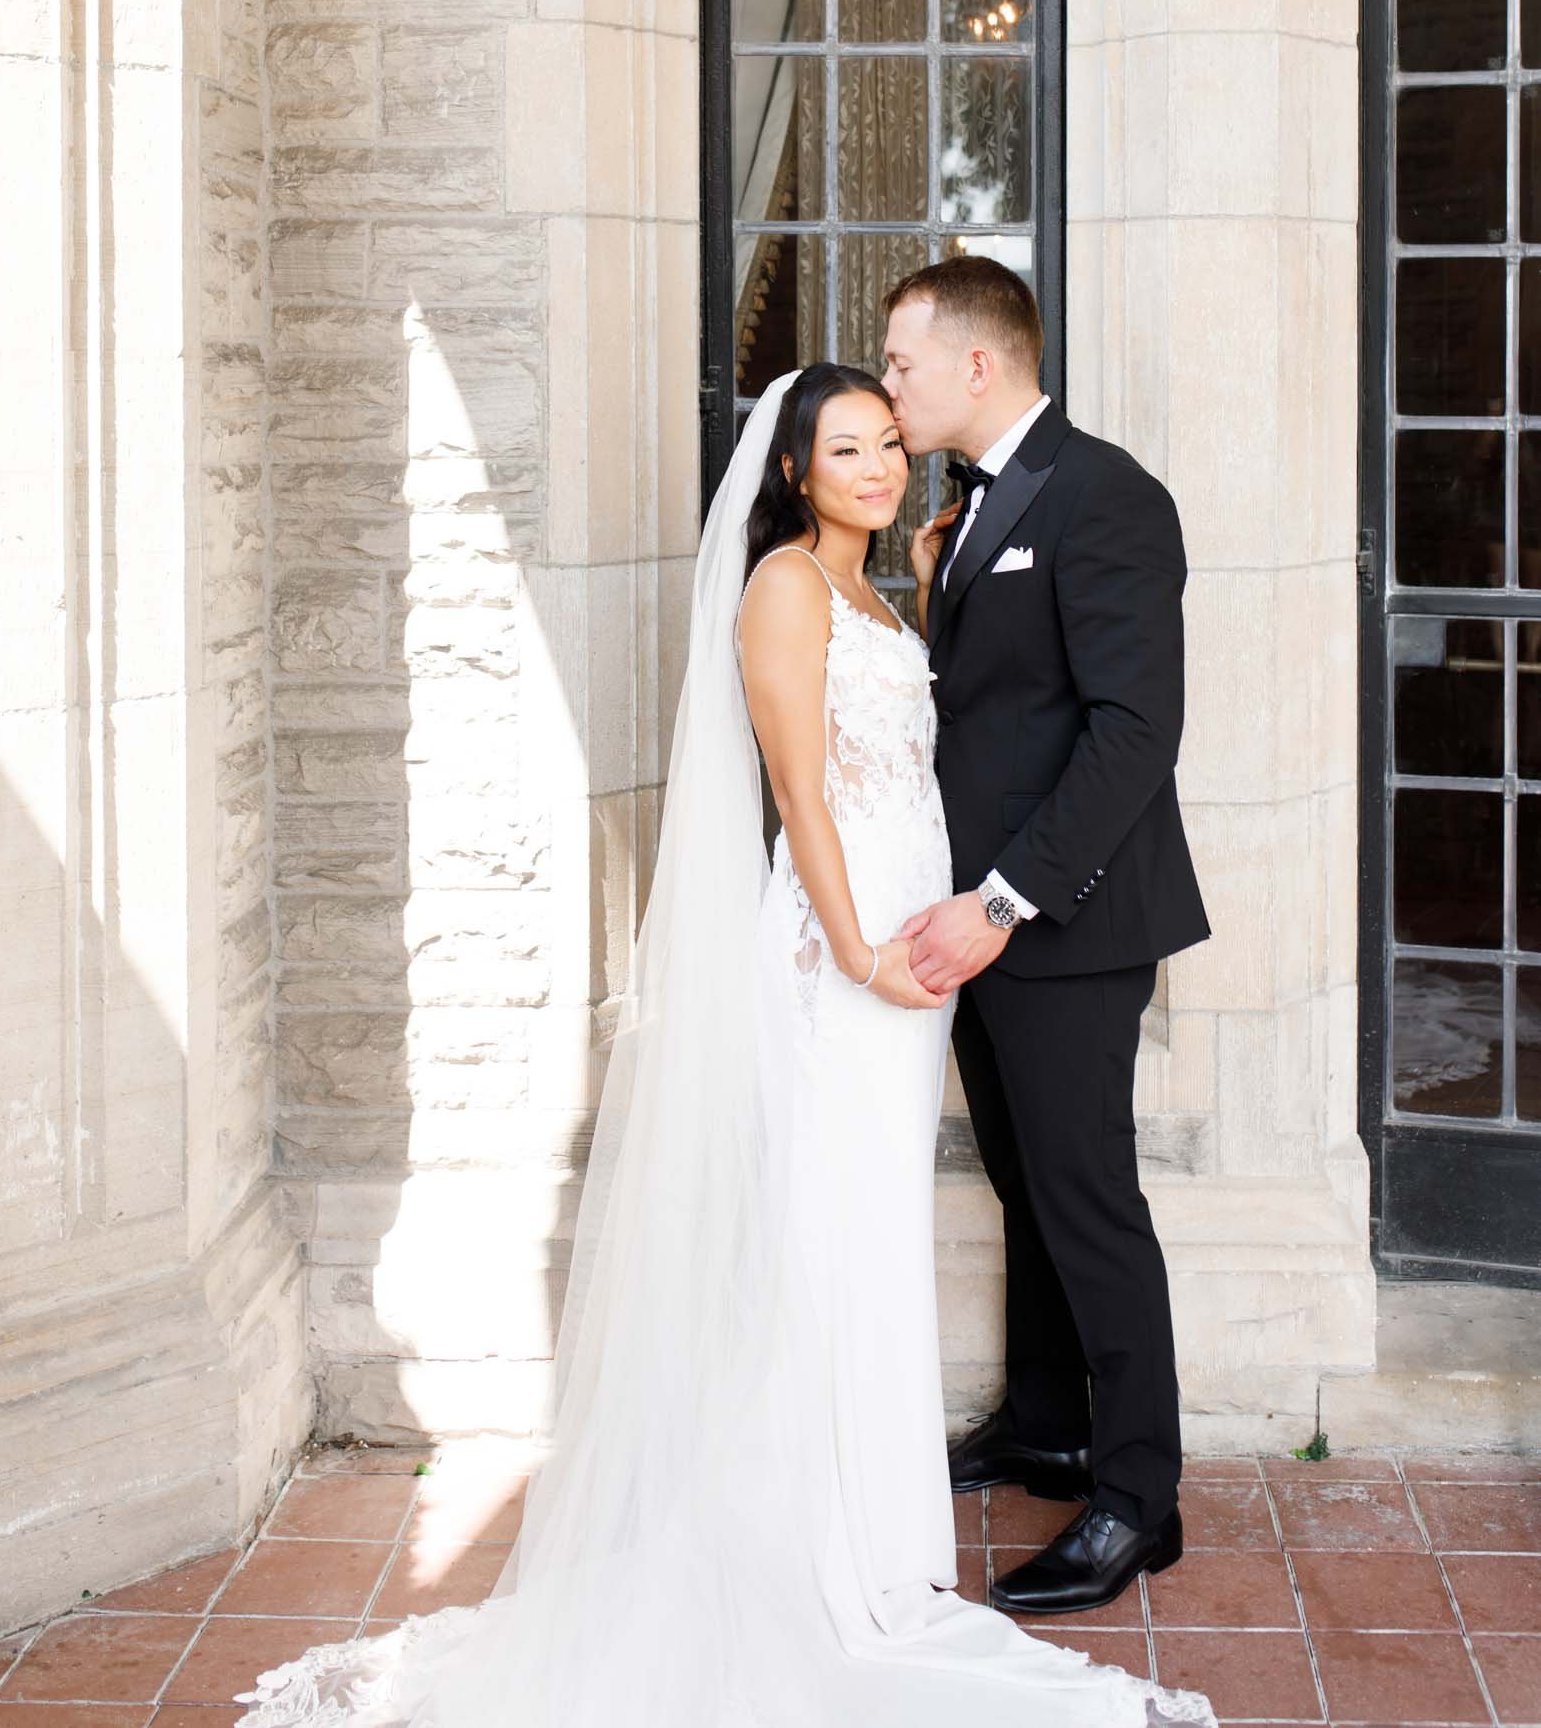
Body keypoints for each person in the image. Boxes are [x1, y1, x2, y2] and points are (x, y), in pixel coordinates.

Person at [238, 364, 1212, 1728]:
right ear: (795, 475)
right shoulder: (784, 590)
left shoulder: (885, 580)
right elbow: (803, 796)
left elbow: (933, 739)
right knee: (820, 1227)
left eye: (887, 440)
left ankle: (871, 1528)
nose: (879, 464)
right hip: (844, 960)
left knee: (869, 1226)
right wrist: (859, 948)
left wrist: (930, 604)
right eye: (848, 448)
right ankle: (802, 1533)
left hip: (915, 955)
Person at [883, 258, 1211, 1620]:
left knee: (1088, 1202)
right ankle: (1044, 1423)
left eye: (902, 361)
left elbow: (1136, 729)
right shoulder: (967, 509)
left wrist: (1003, 900)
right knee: (1025, 1183)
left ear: (978, 365)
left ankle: (1138, 1498)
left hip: (1058, 926)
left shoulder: (1106, 495)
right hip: (983, 929)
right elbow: (991, 707)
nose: (888, 383)